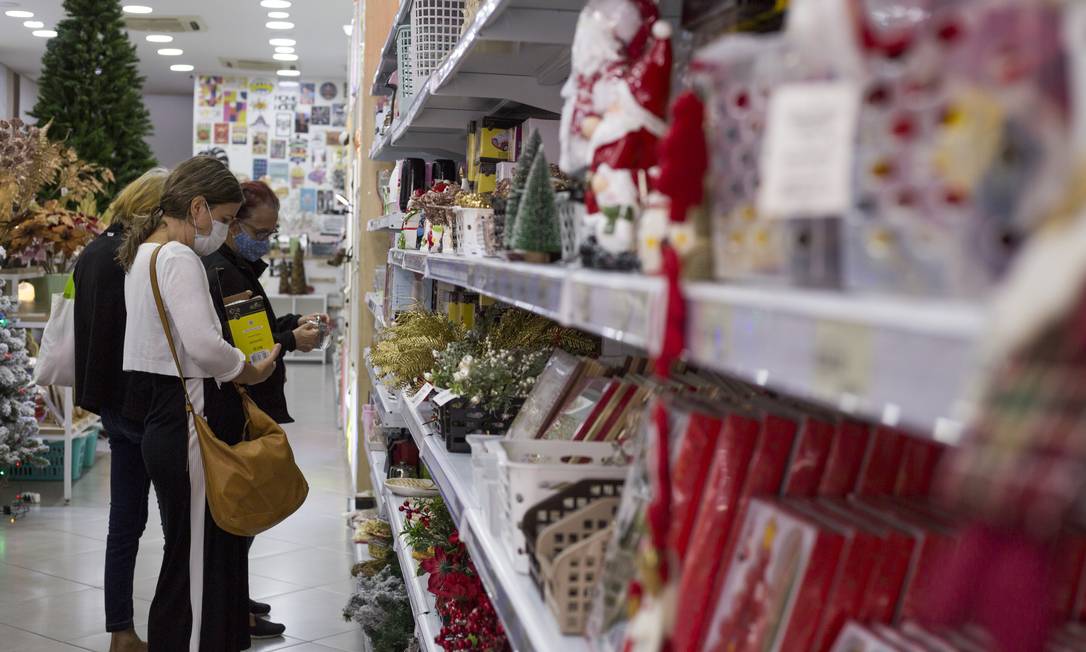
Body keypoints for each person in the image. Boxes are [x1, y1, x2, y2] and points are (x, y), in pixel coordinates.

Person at [117, 156, 279, 652]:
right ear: (197, 207)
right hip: (191, 410)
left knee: (187, 546)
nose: (226, 230)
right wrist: (250, 369)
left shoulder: (144, 254)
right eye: (225, 218)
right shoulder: (179, 257)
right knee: (197, 556)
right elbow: (205, 346)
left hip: (162, 409)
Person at [201, 180, 327, 640]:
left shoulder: (239, 266)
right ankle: (234, 610)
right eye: (260, 232)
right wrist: (291, 339)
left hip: (245, 397)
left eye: (272, 233)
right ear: (233, 225)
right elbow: (242, 344)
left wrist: (290, 325)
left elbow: (257, 327)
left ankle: (238, 598)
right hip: (235, 401)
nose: (266, 241)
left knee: (242, 513)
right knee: (238, 510)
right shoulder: (222, 271)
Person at [73, 167, 168, 652]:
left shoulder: (92, 252)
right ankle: (177, 627)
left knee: (124, 524)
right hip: (145, 402)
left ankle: (121, 630)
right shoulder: (135, 257)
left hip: (110, 402)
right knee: (177, 523)